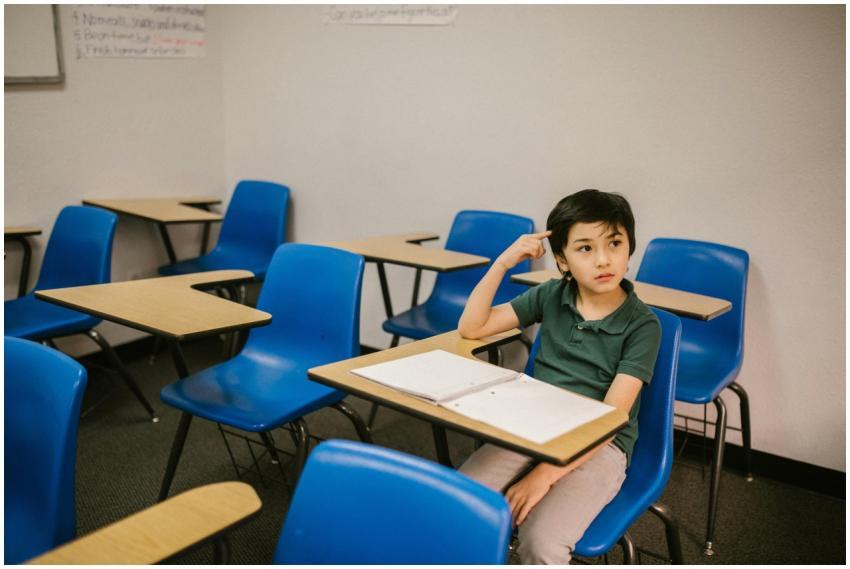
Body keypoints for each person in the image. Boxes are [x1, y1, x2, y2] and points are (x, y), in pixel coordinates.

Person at [457, 189, 661, 564]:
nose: (603, 259)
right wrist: (502, 264)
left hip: (602, 445)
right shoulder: (552, 294)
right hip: (537, 425)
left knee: (541, 540)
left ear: (629, 249)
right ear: (562, 261)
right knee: (462, 502)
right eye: (585, 248)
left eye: (614, 243)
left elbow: (610, 418)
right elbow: (472, 327)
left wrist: (543, 476)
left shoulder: (643, 325)